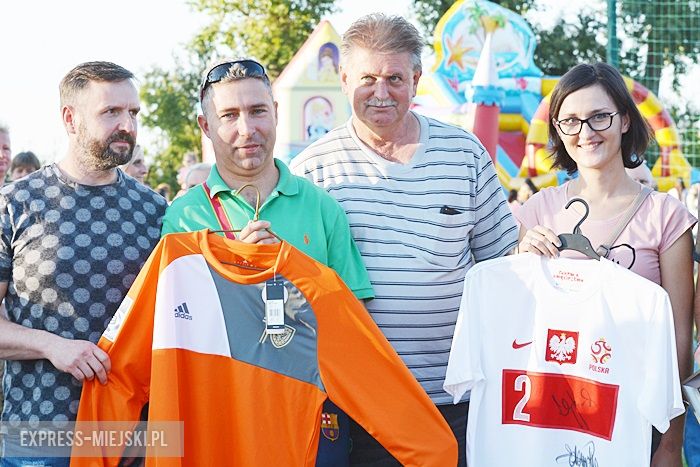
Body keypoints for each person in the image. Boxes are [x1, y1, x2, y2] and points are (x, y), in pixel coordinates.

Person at [291, 14, 518, 466]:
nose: (381, 92)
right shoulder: (312, 171)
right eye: (368, 78)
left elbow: (503, 263)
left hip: (456, 395)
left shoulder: (465, 154)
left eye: (394, 78)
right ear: (344, 80)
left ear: (416, 80)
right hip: (359, 401)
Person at [162, 58, 374, 466]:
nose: (247, 129)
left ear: (276, 112)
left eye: (257, 110)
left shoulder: (321, 207)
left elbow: (356, 317)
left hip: (312, 415)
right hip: (227, 416)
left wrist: (296, 275)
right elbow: (178, 329)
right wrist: (235, 270)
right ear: (205, 127)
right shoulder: (184, 217)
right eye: (229, 115)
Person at [515, 62, 695, 467]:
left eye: (599, 116)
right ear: (557, 129)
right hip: (555, 415)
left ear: (625, 120)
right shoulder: (537, 211)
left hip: (637, 418)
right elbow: (519, 325)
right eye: (570, 121)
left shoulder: (666, 216)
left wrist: (670, 442)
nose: (586, 132)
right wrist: (520, 262)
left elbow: (679, 343)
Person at [0, 61, 167, 465]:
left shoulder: (157, 211)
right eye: (111, 112)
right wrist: (51, 345)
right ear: (70, 119)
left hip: (135, 440)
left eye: (133, 112)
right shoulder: (15, 204)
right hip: (39, 439)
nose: (127, 125)